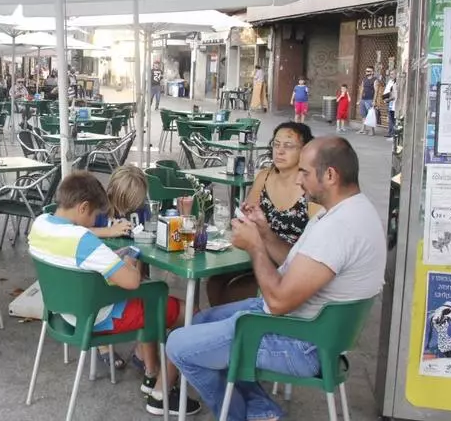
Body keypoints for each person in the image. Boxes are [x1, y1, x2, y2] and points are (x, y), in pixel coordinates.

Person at [167, 136, 385, 421]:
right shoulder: (350, 211)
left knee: (178, 345)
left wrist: (255, 247)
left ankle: (237, 415)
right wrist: (265, 233)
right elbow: (296, 264)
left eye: (305, 172)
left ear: (330, 175)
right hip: (309, 328)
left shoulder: (340, 228)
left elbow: (279, 301)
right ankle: (262, 412)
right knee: (201, 321)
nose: (299, 181)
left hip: (303, 343)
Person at [28, 171, 200, 416]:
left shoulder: (40, 224)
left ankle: (150, 370)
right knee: (188, 311)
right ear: (83, 207)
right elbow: (132, 282)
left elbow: (80, 240)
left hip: (61, 312)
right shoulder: (82, 241)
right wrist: (129, 258)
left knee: (151, 301)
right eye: (94, 215)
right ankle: (161, 392)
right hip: (97, 316)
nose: (94, 220)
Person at [206, 122, 320, 307]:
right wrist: (246, 218)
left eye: (288, 145)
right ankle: (228, 321)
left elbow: (314, 248)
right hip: (257, 254)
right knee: (215, 281)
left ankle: (240, 322)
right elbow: (247, 218)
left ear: (305, 151)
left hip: (291, 266)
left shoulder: (310, 187)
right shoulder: (264, 177)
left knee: (234, 290)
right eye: (276, 144)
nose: (280, 151)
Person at [358, 66, 379, 135]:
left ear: (372, 72)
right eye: (366, 71)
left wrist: (374, 101)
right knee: (363, 115)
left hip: (370, 100)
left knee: (370, 116)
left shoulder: (375, 80)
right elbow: (361, 89)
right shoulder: (364, 79)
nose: (367, 72)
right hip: (363, 100)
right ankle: (363, 129)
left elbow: (376, 91)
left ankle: (372, 131)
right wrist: (360, 99)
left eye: (368, 71)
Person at [384, 70, 397, 140]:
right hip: (389, 102)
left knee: (393, 118)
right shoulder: (390, 81)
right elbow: (388, 90)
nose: (390, 75)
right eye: (390, 74)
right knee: (390, 118)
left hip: (394, 102)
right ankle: (390, 132)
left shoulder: (396, 83)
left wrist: (388, 99)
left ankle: (393, 134)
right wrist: (385, 98)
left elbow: (394, 95)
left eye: (392, 74)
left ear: (396, 74)